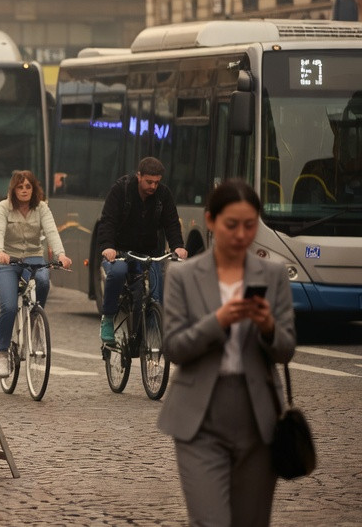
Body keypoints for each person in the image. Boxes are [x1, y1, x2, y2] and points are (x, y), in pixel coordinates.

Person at [157, 180, 295, 526]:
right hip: (198, 419)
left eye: (250, 225)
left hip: (258, 417)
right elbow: (174, 347)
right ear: (210, 221)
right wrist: (217, 321)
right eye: (231, 225)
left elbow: (285, 350)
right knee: (210, 521)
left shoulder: (273, 274)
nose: (241, 234)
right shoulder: (182, 275)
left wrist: (267, 327)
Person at [0, 169, 72, 378]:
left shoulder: (41, 208)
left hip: (33, 257)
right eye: (20, 187)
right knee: (8, 305)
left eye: (28, 187)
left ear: (34, 189)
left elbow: (52, 231)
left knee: (43, 281)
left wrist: (61, 255)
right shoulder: (3, 208)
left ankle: (36, 321)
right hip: (7, 260)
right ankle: (2, 354)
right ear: (13, 189)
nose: (24, 191)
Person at [97, 156, 189, 342]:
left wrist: (178, 246)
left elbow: (171, 223)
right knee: (117, 272)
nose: (153, 186)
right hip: (121, 252)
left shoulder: (163, 195)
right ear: (139, 176)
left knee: (157, 294)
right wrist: (108, 247)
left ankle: (152, 340)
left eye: (157, 182)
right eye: (149, 181)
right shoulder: (120, 191)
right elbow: (108, 221)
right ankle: (107, 318)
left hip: (149, 253)